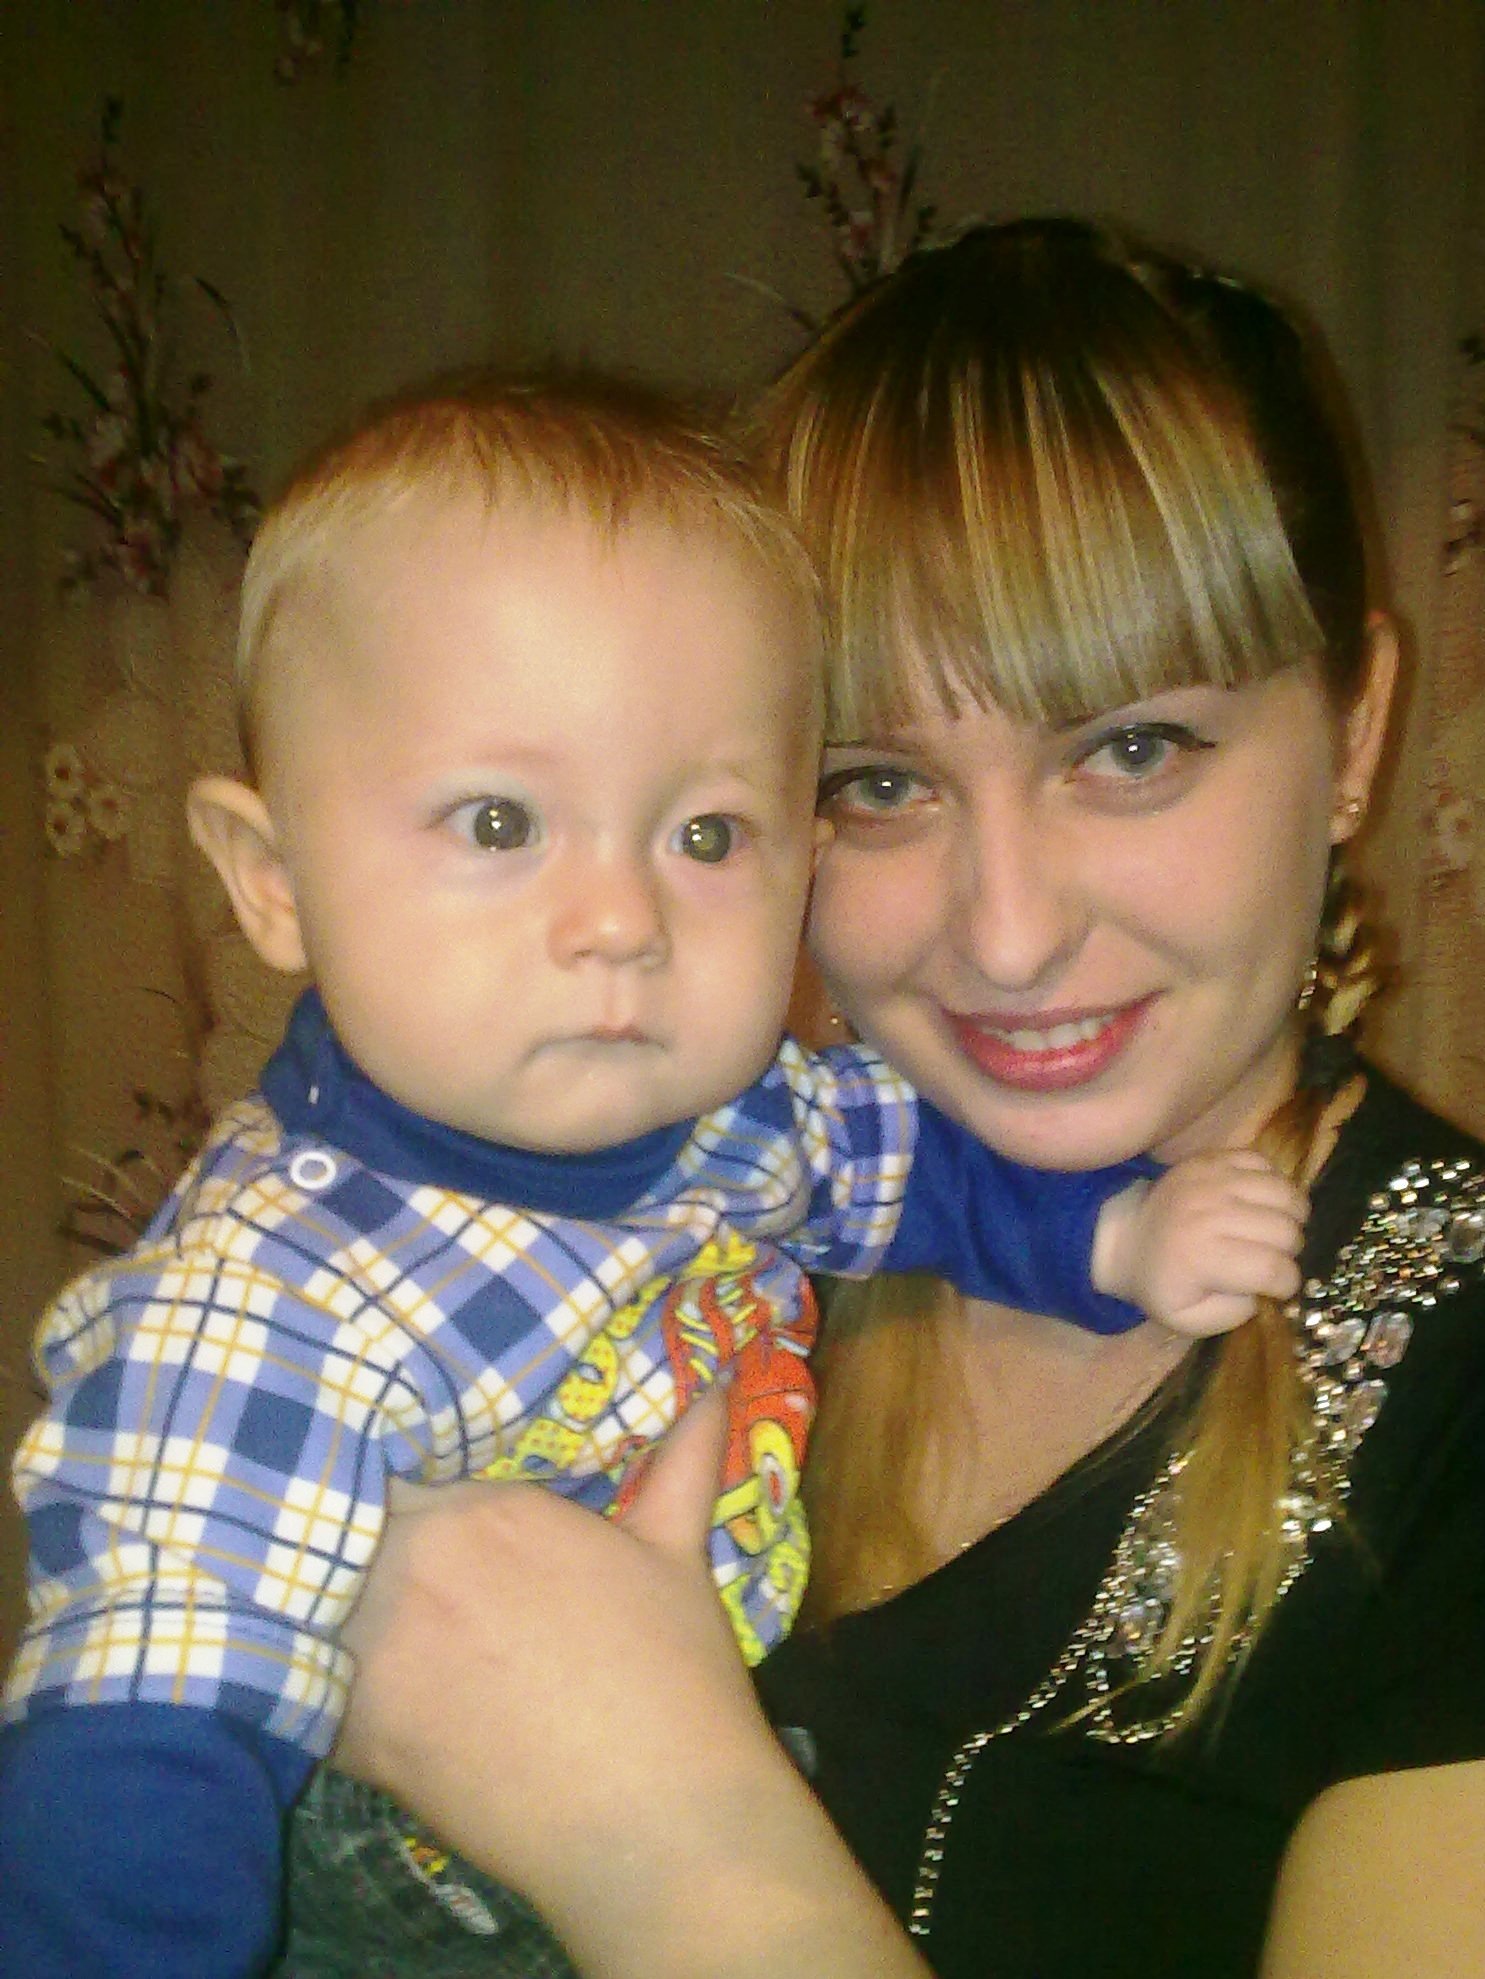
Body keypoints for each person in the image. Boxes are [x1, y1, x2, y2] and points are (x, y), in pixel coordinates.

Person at [0, 371, 1294, 1979]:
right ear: (273, 881)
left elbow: (909, 1169)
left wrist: (1118, 1235)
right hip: (396, 1915)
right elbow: (142, 1723)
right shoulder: (259, 1309)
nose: (622, 920)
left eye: (704, 836)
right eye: (499, 822)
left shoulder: (733, 1121)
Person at [321, 221, 1485, 1979]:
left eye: (1132, 749)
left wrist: (666, 1840)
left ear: (1356, 731)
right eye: (876, 782)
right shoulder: (683, 1200)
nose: (1005, 936)